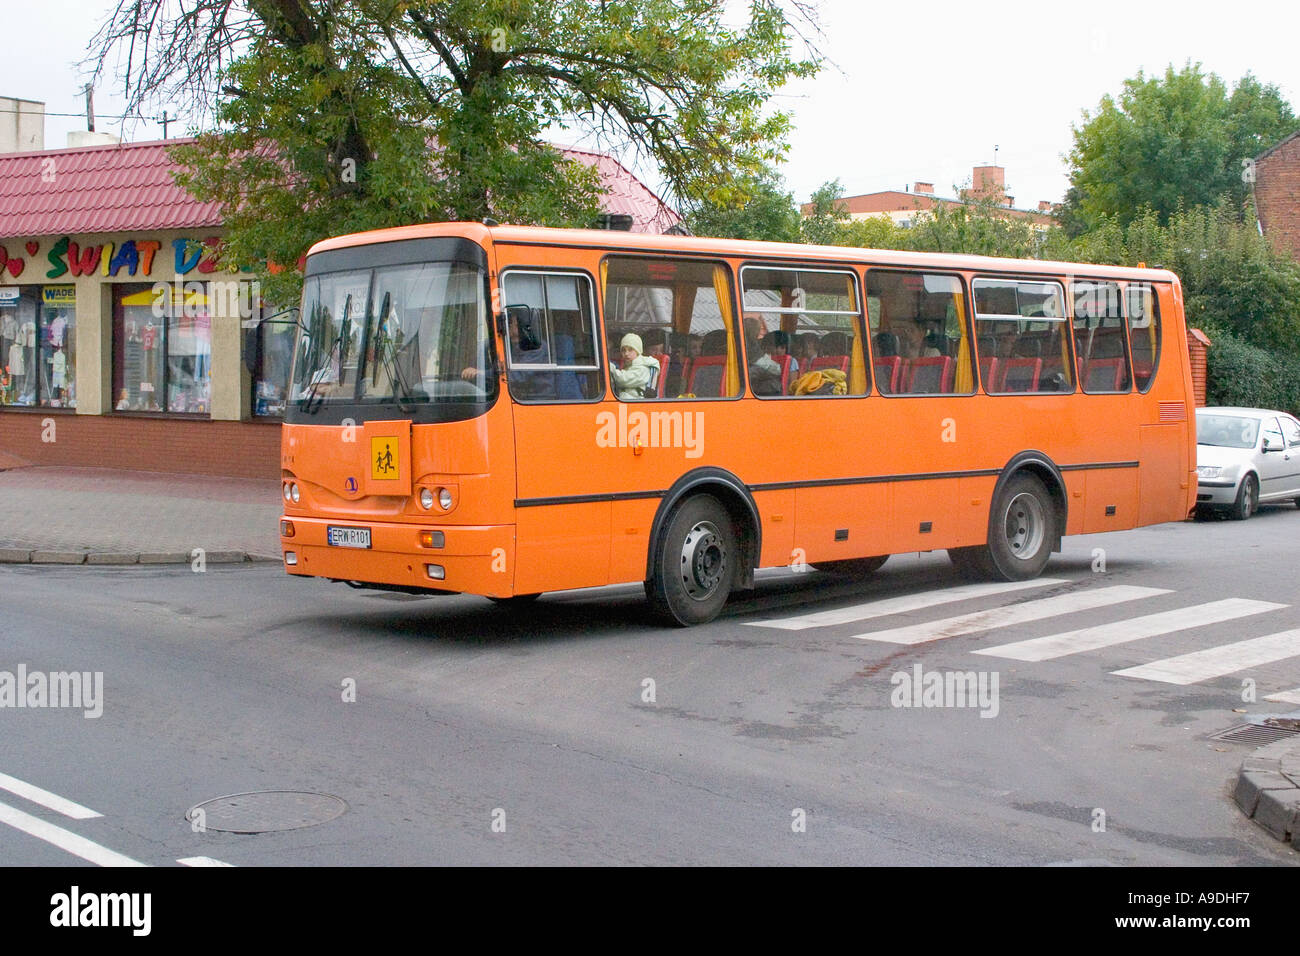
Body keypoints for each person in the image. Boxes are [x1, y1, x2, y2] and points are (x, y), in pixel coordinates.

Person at [609, 332, 660, 399]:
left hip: (635, 405)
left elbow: (623, 380)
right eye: (623, 350)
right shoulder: (629, 366)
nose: (626, 353)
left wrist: (608, 366)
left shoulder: (643, 368)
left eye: (630, 350)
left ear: (638, 351)